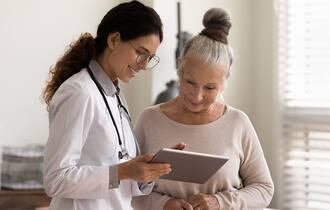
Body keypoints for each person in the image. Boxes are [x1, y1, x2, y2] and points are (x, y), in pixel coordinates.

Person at [132, 7, 274, 210]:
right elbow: (129, 187)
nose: (196, 96)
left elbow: (263, 189)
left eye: (209, 87)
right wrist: (164, 204)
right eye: (189, 82)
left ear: (224, 83)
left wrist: (220, 202)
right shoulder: (149, 120)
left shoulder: (237, 122)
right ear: (179, 71)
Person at [42, 1, 175, 210]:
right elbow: (56, 179)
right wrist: (123, 171)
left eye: (150, 58)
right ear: (113, 40)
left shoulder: (115, 96)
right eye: (141, 52)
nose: (144, 65)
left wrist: (145, 173)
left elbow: (118, 179)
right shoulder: (79, 92)